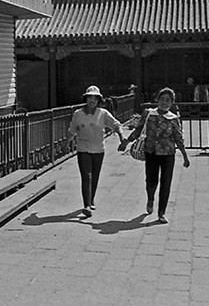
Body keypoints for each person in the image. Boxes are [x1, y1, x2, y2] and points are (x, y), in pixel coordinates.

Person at [118, 87, 190, 224]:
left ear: (172, 103)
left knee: (166, 182)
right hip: (151, 152)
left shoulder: (174, 119)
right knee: (151, 180)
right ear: (157, 100)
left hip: (168, 154)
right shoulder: (149, 114)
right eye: (162, 99)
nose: (164, 103)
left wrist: (185, 155)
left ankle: (161, 212)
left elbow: (178, 138)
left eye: (168, 100)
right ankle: (150, 198)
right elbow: (138, 130)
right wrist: (127, 141)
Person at [68, 85, 127, 219]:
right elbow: (72, 130)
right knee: (86, 176)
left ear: (98, 100)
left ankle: (91, 199)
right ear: (86, 98)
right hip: (83, 148)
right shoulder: (78, 114)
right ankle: (87, 205)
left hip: (98, 149)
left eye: (95, 98)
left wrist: (122, 137)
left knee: (94, 175)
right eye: (90, 97)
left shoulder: (103, 114)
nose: (92, 100)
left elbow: (116, 124)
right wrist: (67, 142)